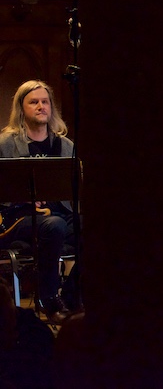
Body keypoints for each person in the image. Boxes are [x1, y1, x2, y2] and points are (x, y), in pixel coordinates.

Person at [0, 80, 77, 324]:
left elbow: (73, 191)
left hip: (58, 216)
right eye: (34, 102)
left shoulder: (65, 145)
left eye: (45, 102)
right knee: (53, 225)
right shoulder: (6, 144)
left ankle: (73, 297)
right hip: (18, 220)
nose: (41, 106)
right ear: (21, 108)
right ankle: (48, 300)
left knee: (100, 228)